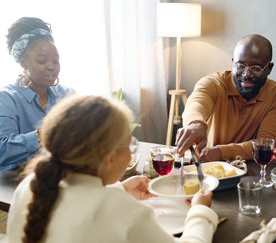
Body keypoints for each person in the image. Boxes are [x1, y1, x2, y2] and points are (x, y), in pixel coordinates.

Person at [7, 95, 218, 243]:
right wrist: (201, 211)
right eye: (130, 144)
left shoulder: (31, 185)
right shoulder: (122, 210)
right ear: (109, 158)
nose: (132, 150)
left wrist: (119, 189)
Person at [176, 34, 276, 162]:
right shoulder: (213, 83)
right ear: (233, 63)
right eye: (240, 66)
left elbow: (265, 144)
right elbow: (197, 103)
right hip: (208, 167)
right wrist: (196, 124)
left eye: (256, 68)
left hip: (250, 171)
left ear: (269, 68)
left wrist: (221, 152)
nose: (247, 74)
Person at [0, 17, 74, 171]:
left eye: (55, 61)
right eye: (42, 61)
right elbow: (3, 150)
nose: (51, 67)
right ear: (22, 62)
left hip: (61, 176)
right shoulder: (6, 98)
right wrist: (43, 135)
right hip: (15, 184)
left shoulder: (67, 94)